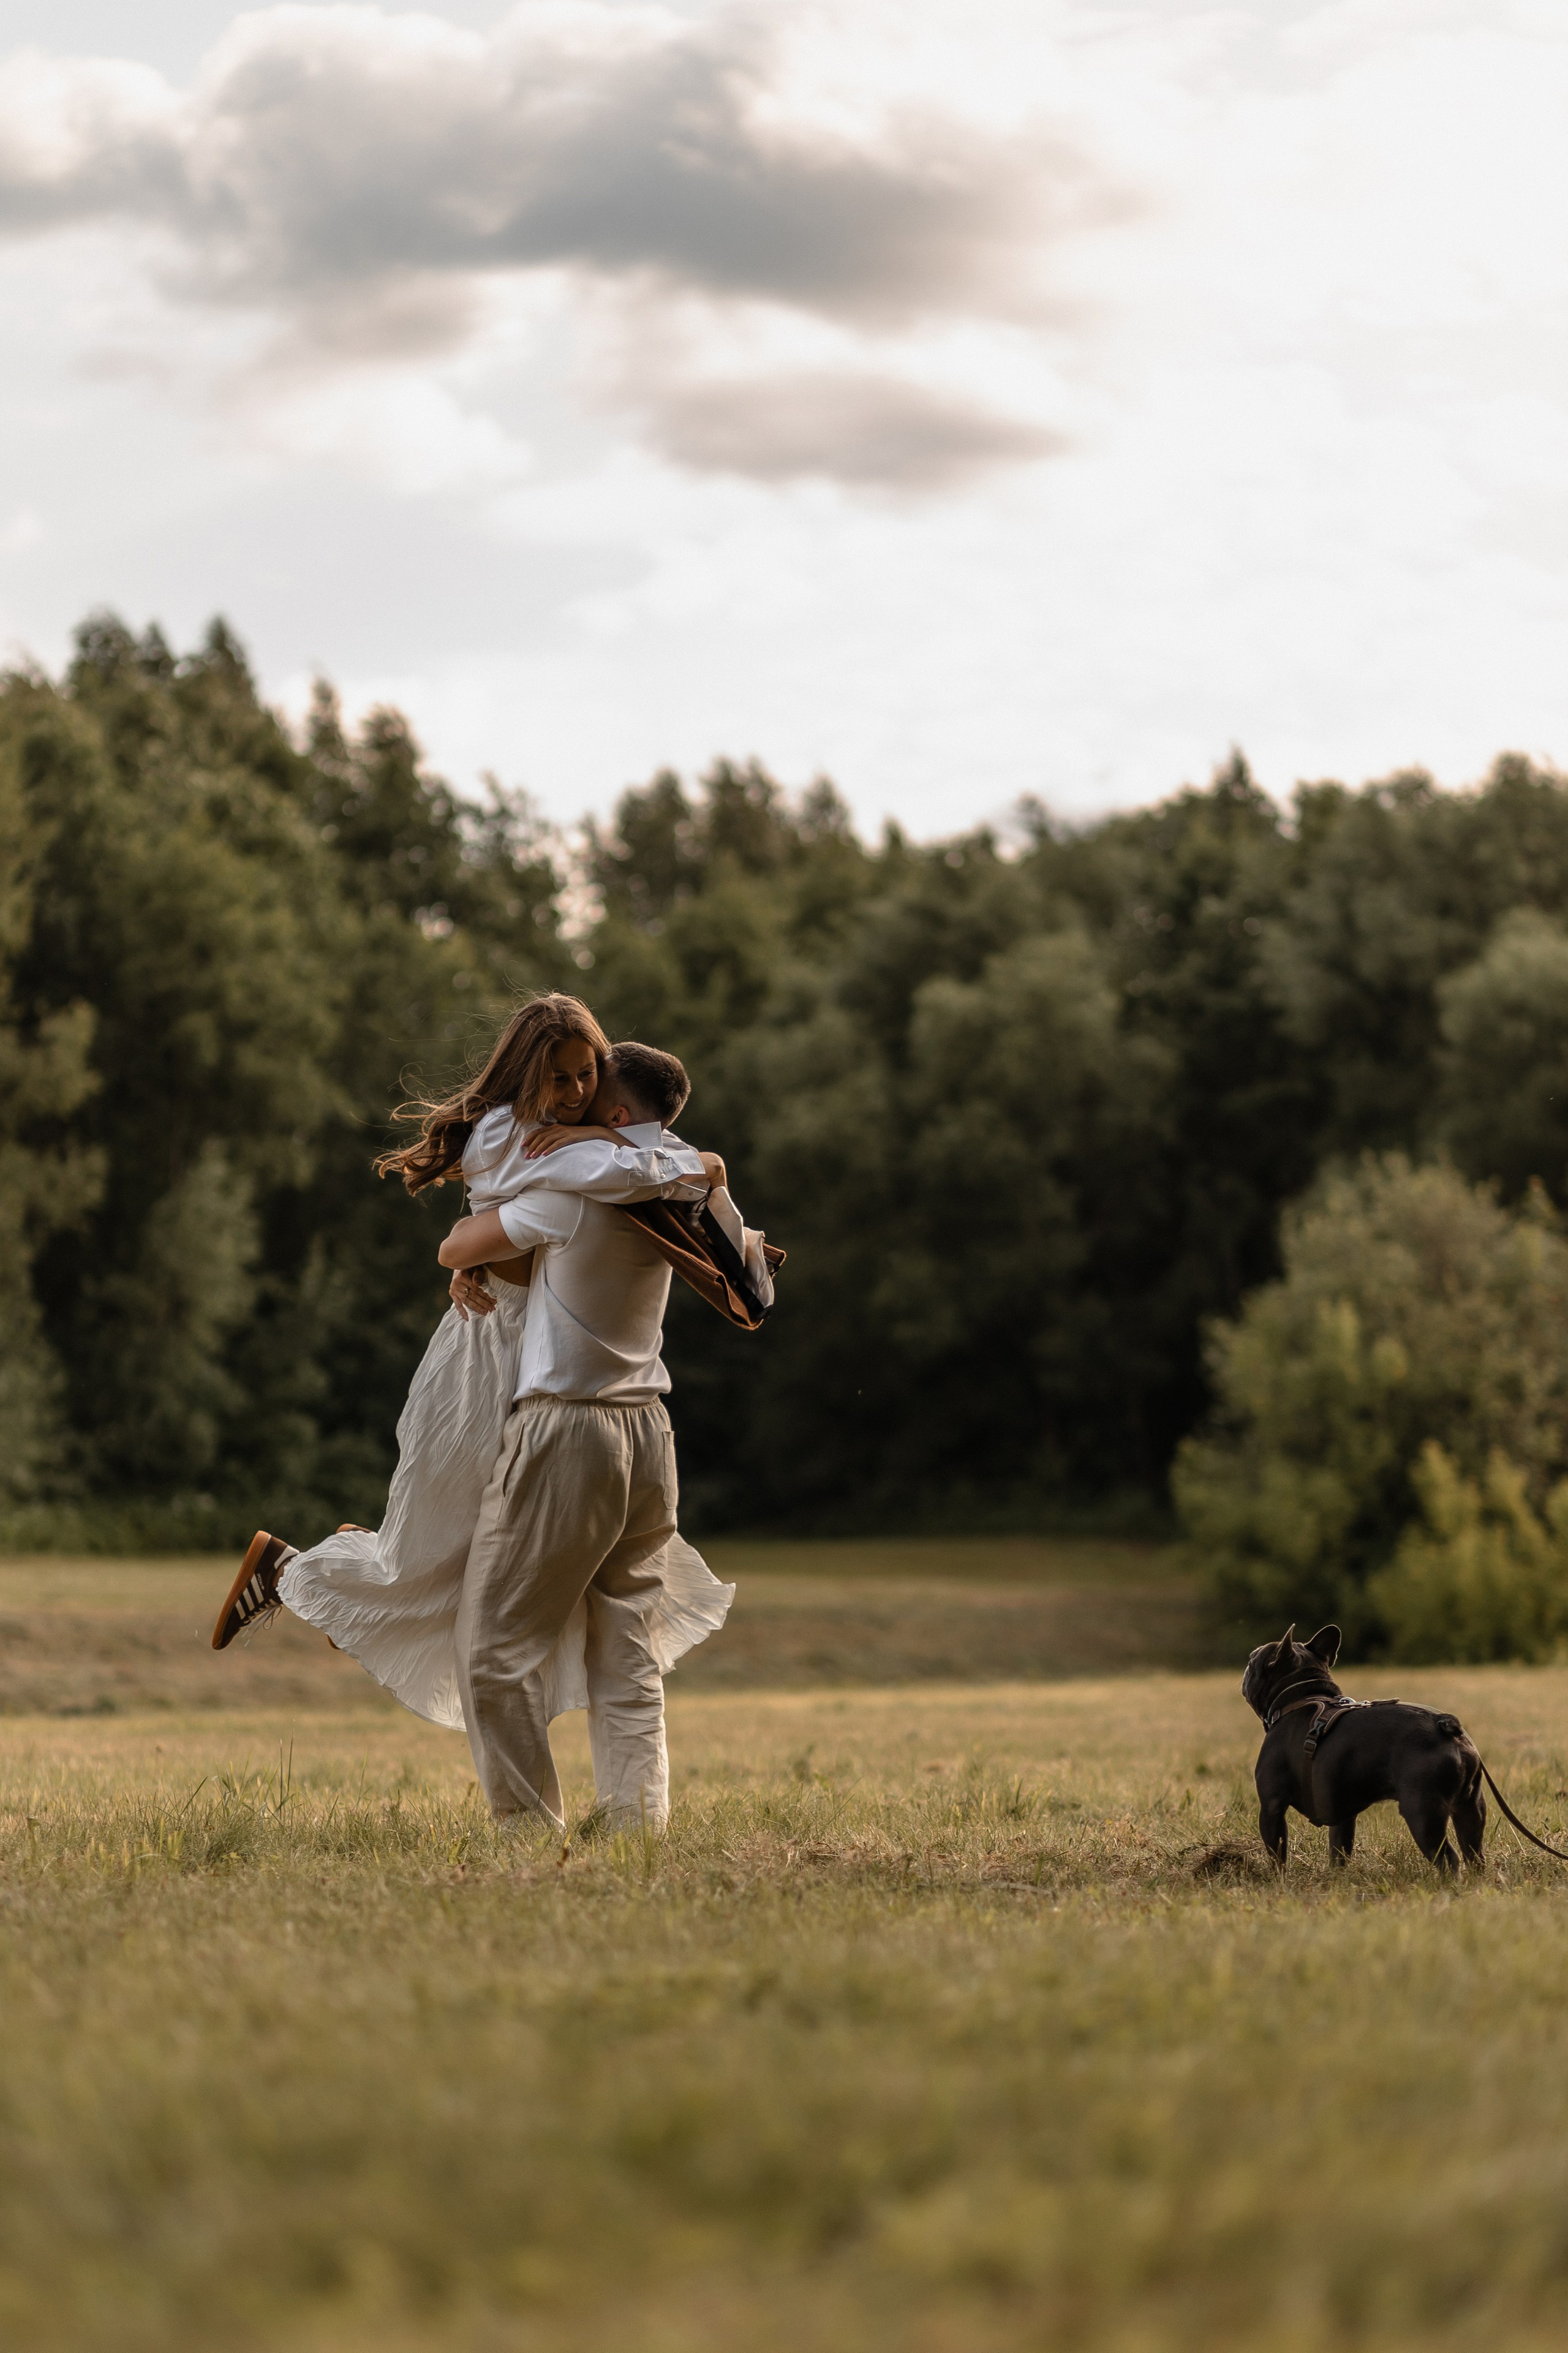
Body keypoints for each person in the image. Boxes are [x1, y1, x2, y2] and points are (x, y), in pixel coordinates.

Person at [211, 996, 734, 1747]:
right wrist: (697, 1162)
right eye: (557, 1078)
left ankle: (338, 1590)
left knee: (504, 1559)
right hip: (491, 1348)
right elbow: (610, 1179)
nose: (575, 1092)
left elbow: (574, 1190)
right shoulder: (521, 1135)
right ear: (524, 1076)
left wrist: (478, 1246)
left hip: (540, 1344)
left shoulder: (574, 1136)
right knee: (455, 1551)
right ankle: (301, 1577)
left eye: (586, 1074)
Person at [435, 1038, 749, 1832]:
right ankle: (637, 1828)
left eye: (584, 1092)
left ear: (614, 1111)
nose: (565, 1104)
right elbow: (742, 1254)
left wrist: (468, 1257)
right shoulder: (682, 1186)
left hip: (567, 1430)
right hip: (648, 1435)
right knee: (627, 1649)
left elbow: (459, 1244)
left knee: (494, 1654)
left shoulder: (569, 1193)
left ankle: (525, 1832)